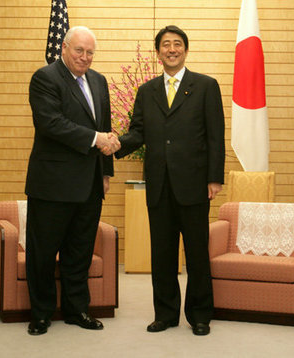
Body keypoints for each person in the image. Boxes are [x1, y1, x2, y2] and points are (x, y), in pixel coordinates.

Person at [115, 25, 225, 336]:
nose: (171, 49)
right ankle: (164, 314)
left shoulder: (205, 86)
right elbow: (138, 132)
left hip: (194, 184)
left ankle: (200, 315)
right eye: (166, 45)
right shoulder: (147, 91)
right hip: (160, 186)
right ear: (158, 52)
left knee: (197, 253)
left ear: (186, 50)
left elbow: (216, 136)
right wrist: (114, 145)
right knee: (162, 254)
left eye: (177, 44)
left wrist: (214, 179)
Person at [24, 26, 120, 335]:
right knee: (42, 253)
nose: (85, 57)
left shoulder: (98, 81)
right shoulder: (45, 78)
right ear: (64, 48)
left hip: (89, 184)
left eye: (90, 52)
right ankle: (40, 313)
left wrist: (105, 171)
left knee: (79, 252)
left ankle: (77, 310)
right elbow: (52, 124)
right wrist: (96, 139)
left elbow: (102, 126)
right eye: (79, 50)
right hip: (52, 184)